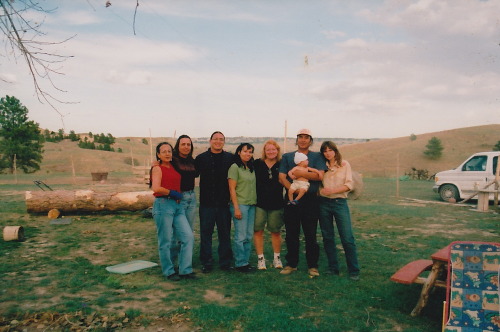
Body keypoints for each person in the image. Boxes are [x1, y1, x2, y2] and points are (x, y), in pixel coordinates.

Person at [279, 129, 326, 277]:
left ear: (310, 140)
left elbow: (320, 176)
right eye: (300, 137)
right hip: (292, 199)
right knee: (291, 232)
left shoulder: (317, 156)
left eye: (306, 137)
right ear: (297, 139)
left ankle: (313, 265)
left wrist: (301, 175)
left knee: (310, 233)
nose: (303, 140)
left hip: (311, 200)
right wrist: (294, 189)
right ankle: (291, 264)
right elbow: (282, 177)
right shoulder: (287, 157)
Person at [150, 142, 195, 281]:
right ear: (158, 154)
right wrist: (172, 193)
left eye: (169, 151)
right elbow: (156, 188)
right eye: (164, 151)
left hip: (177, 206)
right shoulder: (157, 168)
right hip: (164, 205)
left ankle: (185, 270)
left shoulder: (173, 165)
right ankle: (168, 271)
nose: (167, 154)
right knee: (166, 240)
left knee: (187, 236)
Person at [319, 141, 360, 281]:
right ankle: (333, 268)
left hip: (339, 203)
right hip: (324, 204)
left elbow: (349, 184)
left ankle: (354, 270)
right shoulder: (321, 166)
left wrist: (333, 191)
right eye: (325, 151)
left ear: (335, 151)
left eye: (330, 150)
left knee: (347, 237)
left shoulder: (344, 164)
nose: (328, 153)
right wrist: (321, 192)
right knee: (328, 236)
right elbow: (317, 184)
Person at [195, 131, 234, 273]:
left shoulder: (230, 158)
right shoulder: (201, 158)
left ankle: (225, 262)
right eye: (215, 139)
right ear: (210, 141)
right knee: (206, 233)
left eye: (221, 139)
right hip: (206, 204)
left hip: (224, 203)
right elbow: (189, 172)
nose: (218, 141)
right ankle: (206, 262)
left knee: (224, 233)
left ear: (224, 142)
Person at [253, 140, 284, 270]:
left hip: (276, 204)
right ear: (264, 151)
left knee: (275, 231)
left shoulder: (282, 164)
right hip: (259, 203)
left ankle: (277, 258)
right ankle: (261, 259)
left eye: (273, 149)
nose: (271, 152)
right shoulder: (257, 163)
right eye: (268, 149)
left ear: (277, 151)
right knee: (258, 230)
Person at [228, 143, 257, 273]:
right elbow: (232, 188)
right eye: (245, 151)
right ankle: (240, 263)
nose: (248, 154)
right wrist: (236, 208)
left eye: (250, 152)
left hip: (251, 205)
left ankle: (245, 262)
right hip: (240, 205)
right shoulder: (234, 167)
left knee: (248, 235)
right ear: (239, 152)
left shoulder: (250, 167)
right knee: (241, 236)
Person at [170, 135, 198, 264]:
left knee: (188, 232)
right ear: (178, 146)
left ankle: (184, 263)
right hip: (178, 198)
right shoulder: (172, 160)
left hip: (191, 198)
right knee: (177, 233)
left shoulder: (192, 160)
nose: (186, 147)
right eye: (183, 144)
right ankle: (173, 262)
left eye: (188, 144)